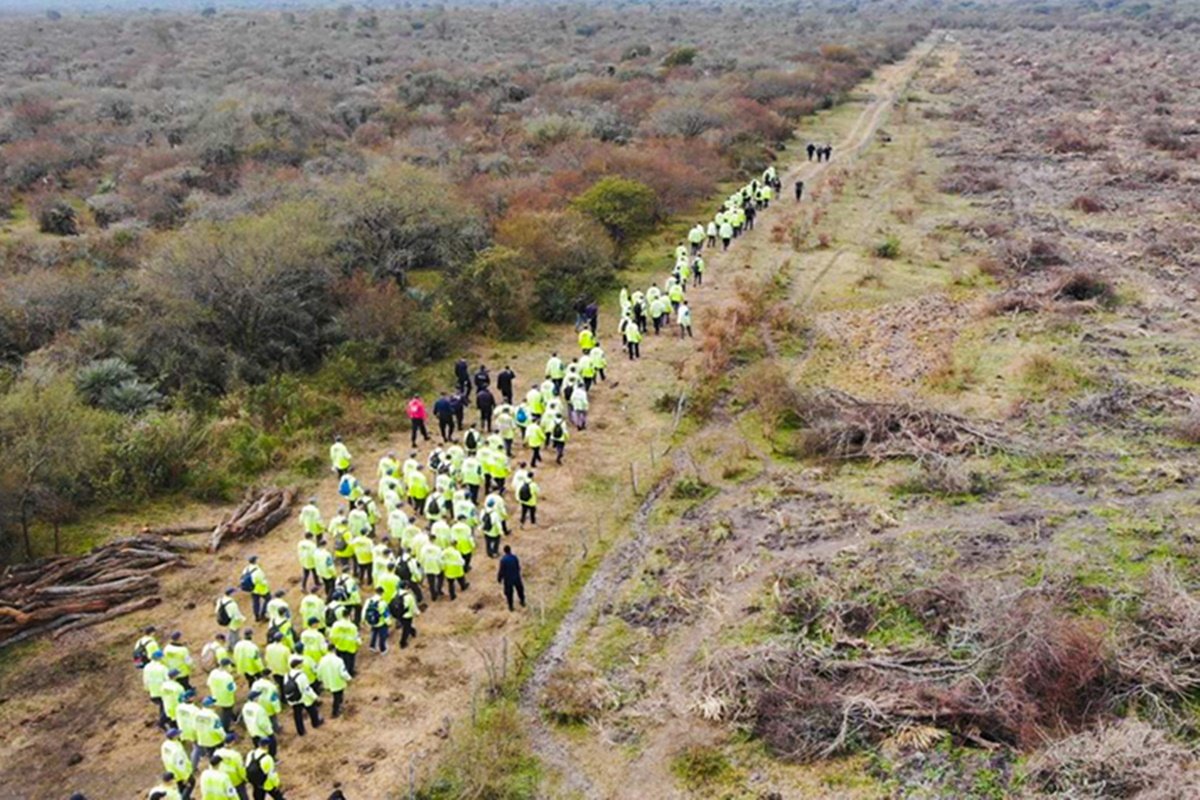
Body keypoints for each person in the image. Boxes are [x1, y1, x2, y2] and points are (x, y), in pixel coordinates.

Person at [283, 657, 322, 736]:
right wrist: (315, 697)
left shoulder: (286, 675)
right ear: (297, 666)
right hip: (303, 698)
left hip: (293, 698)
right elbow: (307, 689)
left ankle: (301, 731)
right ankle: (316, 723)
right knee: (312, 711)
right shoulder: (301, 676)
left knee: (297, 715)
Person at [317, 648, 353, 717]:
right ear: (334, 651)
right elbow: (343, 673)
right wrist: (349, 679)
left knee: (336, 696)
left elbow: (318, 672)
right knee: (337, 697)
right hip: (338, 682)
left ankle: (338, 707)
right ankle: (335, 712)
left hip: (328, 682)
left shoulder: (322, 660)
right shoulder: (338, 660)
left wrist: (320, 680)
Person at [240, 690, 276, 758]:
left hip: (253, 732)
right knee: (271, 745)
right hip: (262, 733)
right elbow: (263, 723)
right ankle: (272, 758)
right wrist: (270, 732)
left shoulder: (245, 707)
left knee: (259, 748)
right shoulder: (259, 709)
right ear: (255, 698)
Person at [214, 735, 250, 800]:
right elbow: (241, 770)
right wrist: (245, 778)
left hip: (223, 781)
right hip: (236, 781)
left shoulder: (216, 752)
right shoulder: (236, 755)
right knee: (243, 797)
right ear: (232, 742)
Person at [161, 730, 194, 799]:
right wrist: (186, 777)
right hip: (181, 774)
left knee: (181, 788)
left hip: (171, 771)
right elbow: (180, 765)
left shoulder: (165, 745)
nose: (179, 735)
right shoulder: (176, 750)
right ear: (174, 737)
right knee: (191, 783)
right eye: (177, 734)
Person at [207, 659, 238, 731]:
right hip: (226, 698)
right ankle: (225, 729)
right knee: (226, 713)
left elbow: (208, 683)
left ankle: (234, 717)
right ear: (227, 666)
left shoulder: (213, 672)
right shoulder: (228, 676)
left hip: (215, 696)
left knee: (227, 710)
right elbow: (232, 689)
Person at [144, 650, 171, 728]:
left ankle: (162, 721)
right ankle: (161, 723)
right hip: (163, 691)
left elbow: (145, 680)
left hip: (153, 691)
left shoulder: (147, 667)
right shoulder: (163, 668)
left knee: (162, 706)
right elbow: (168, 680)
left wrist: (147, 689)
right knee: (165, 707)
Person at [330, 611, 361, 676]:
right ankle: (349, 673)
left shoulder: (336, 625)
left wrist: (335, 643)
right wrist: (358, 645)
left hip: (339, 645)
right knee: (350, 662)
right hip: (350, 646)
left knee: (340, 661)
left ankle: (340, 673)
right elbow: (356, 637)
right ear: (349, 616)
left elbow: (332, 636)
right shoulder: (352, 626)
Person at [240, 557, 270, 622]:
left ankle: (256, 616)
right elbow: (261, 581)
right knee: (268, 599)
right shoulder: (257, 570)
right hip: (261, 589)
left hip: (252, 589)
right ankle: (263, 614)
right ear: (255, 561)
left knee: (256, 602)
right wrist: (266, 583)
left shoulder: (246, 569)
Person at [497, 546, 526, 612]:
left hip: (508, 579)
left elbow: (501, 570)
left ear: (504, 551)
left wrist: (499, 578)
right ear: (510, 550)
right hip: (516, 577)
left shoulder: (503, 560)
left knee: (509, 593)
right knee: (520, 590)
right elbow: (518, 567)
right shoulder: (514, 557)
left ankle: (511, 606)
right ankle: (522, 601)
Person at [364, 587, 391, 654]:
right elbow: (385, 614)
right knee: (382, 635)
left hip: (372, 621)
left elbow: (365, 610)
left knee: (374, 633)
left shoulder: (369, 601)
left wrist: (365, 620)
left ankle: (372, 646)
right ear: (382, 593)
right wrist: (389, 622)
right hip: (381, 622)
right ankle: (383, 649)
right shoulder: (382, 603)